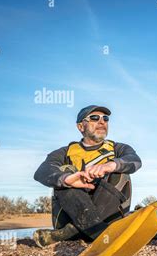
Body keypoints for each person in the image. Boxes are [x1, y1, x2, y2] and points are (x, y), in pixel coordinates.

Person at [33, 105, 142, 247]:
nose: (102, 122)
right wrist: (66, 179)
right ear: (80, 126)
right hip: (71, 213)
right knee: (65, 172)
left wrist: (110, 165)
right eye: (94, 118)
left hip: (109, 215)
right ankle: (100, 234)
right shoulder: (64, 152)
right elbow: (41, 171)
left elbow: (134, 160)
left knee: (120, 170)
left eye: (105, 118)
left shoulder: (118, 148)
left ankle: (69, 232)